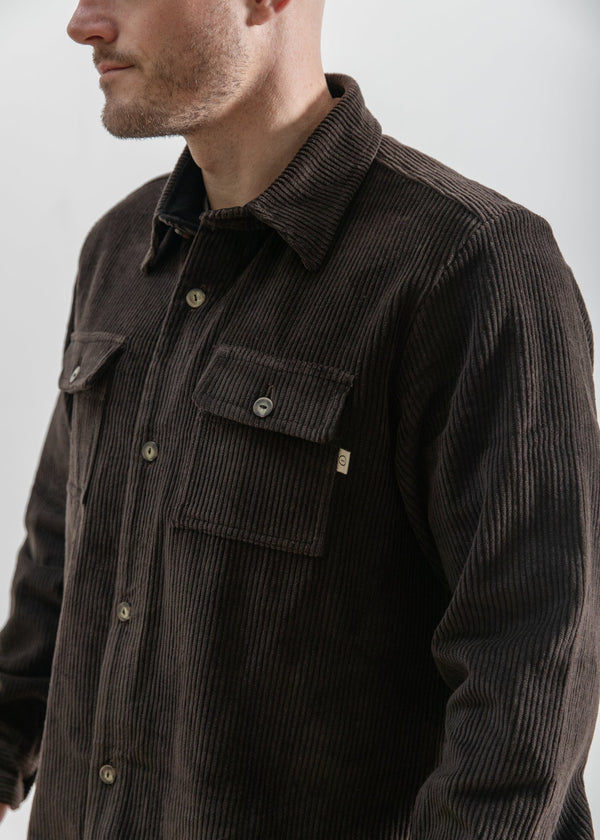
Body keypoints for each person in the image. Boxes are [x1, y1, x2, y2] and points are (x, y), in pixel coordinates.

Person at [1, 0, 599, 836]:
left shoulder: (471, 268)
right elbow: (58, 569)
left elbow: (531, 680)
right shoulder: (118, 248)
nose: (82, 22)